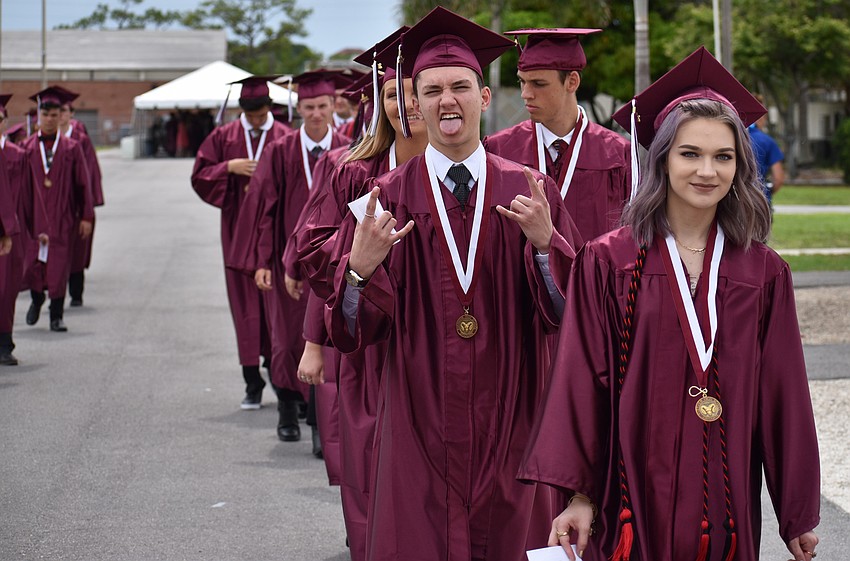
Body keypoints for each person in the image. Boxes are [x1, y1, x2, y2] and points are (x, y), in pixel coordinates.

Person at [519, 46, 820, 561]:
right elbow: (581, 379)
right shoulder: (609, 262)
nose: (707, 171)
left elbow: (783, 391)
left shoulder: (763, 273)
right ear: (660, 158)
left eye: (723, 156)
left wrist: (796, 511)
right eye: (690, 154)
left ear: (740, 165)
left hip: (725, 504)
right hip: (631, 496)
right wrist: (579, 495)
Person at [324, 7, 581, 560]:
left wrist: (545, 247)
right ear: (413, 104)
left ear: (484, 98)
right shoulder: (384, 199)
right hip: (418, 420)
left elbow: (571, 317)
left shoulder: (532, 191)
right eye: (432, 89)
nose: (448, 100)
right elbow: (350, 336)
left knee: (511, 540)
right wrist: (358, 272)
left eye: (461, 86)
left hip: (513, 418)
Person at [285, 29, 427, 560]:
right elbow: (311, 249)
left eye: (417, 92)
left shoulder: (463, 170)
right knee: (370, 458)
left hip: (435, 340)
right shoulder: (351, 171)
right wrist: (357, 263)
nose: (406, 105)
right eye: (393, 94)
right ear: (378, 102)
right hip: (367, 340)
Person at [229, 69, 351, 445]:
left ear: (334, 106)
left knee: (328, 340)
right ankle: (286, 410)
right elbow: (263, 209)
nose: (316, 113)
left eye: (322, 106)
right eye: (309, 106)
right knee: (285, 341)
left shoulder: (351, 149)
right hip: (289, 263)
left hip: (332, 261)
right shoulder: (279, 151)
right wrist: (263, 262)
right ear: (298, 108)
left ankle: (318, 422)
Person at [190, 76, 291, 410]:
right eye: (249, 112)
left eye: (260, 111)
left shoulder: (285, 137)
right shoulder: (225, 136)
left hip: (274, 232)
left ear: (270, 107)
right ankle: (252, 381)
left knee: (276, 307)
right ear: (240, 109)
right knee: (244, 306)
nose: (256, 118)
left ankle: (278, 377)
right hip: (236, 230)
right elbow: (200, 175)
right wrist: (228, 167)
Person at [484, 28, 631, 242]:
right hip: (522, 276)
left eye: (538, 83)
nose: (525, 94)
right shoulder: (499, 150)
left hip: (593, 275)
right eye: (522, 81)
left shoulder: (617, 155)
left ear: (572, 82)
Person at [22, 87, 94, 333]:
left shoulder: (72, 148)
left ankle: (56, 315)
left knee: (59, 264)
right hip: (34, 218)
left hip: (63, 216)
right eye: (46, 115)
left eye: (55, 115)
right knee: (34, 263)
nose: (50, 119)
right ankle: (36, 299)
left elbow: (83, 184)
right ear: (38, 117)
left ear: (60, 116)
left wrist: (86, 216)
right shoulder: (26, 148)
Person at [55, 86, 104, 307]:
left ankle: (76, 293)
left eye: (65, 110)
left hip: (74, 203)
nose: (61, 115)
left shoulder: (79, 140)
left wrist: (89, 203)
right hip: (51, 203)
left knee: (77, 249)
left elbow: (90, 171)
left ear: (71, 114)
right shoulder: (43, 140)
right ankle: (50, 294)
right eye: (58, 110)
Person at [0, 94, 35, 365]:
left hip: (8, 231)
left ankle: (4, 344)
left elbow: (25, 196)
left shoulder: (15, 155)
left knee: (6, 288)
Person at [748, 95, 785, 211]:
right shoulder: (768, 141)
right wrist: (768, 192)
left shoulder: (730, 137)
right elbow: (778, 178)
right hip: (759, 200)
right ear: (760, 117)